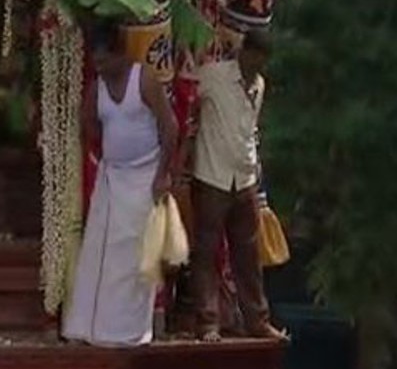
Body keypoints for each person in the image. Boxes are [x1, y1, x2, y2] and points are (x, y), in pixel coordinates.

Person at [62, 23, 178, 347]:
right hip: (113, 177)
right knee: (99, 252)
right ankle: (91, 328)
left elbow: (170, 128)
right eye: (95, 61)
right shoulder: (96, 87)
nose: (99, 66)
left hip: (145, 177)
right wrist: (105, 154)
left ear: (119, 53)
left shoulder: (144, 79)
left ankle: (127, 332)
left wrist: (162, 174)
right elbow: (87, 122)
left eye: (104, 60)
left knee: (133, 256)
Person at [190, 30, 286, 342]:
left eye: (262, 58)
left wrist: (257, 175)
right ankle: (208, 323)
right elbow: (188, 95)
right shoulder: (214, 76)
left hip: (244, 179)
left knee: (248, 253)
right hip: (212, 174)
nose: (256, 62)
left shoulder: (259, 85)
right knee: (206, 251)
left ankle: (258, 320)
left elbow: (250, 130)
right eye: (253, 54)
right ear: (243, 51)